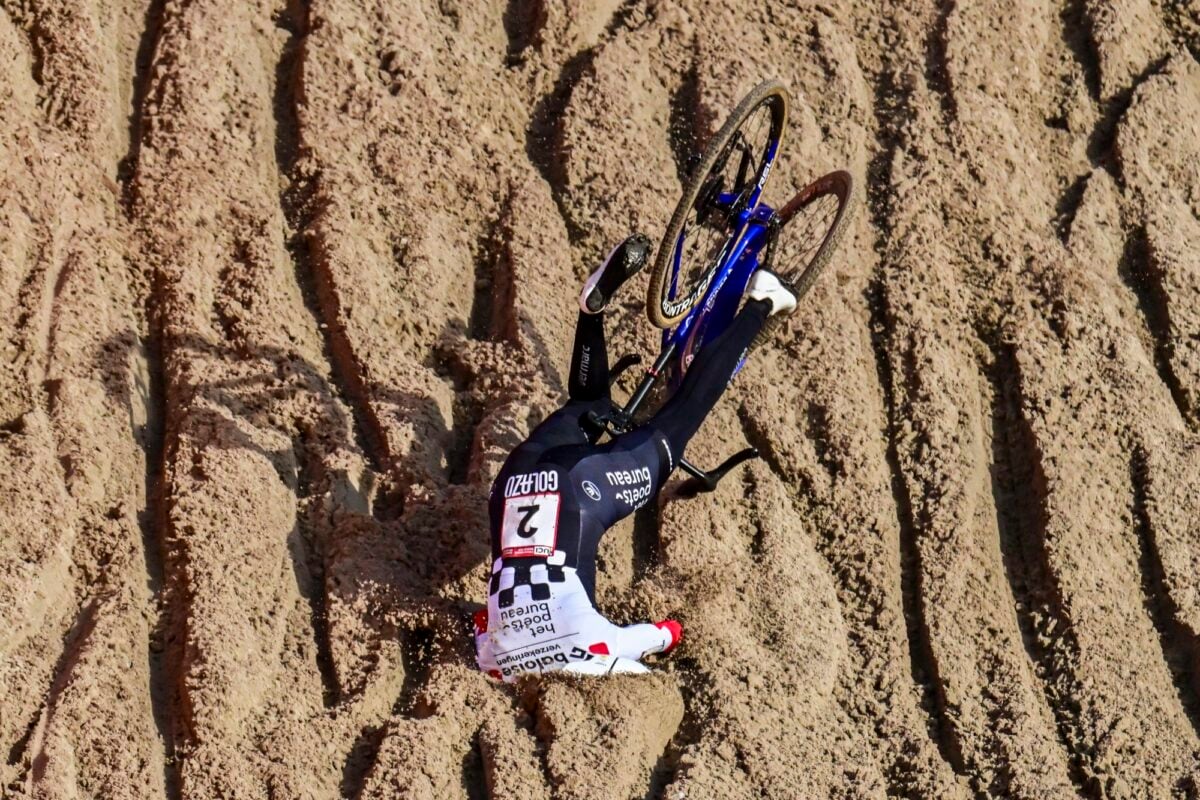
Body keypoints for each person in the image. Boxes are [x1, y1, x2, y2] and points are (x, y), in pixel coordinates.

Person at [473, 234, 797, 680]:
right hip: (513, 483)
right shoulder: (495, 656)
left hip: (581, 490)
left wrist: (673, 634)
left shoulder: (594, 642)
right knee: (585, 407)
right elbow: (477, 627)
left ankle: (762, 301)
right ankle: (592, 311)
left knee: (678, 423)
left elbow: (660, 635)